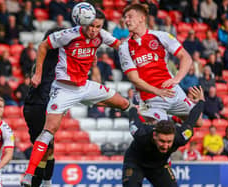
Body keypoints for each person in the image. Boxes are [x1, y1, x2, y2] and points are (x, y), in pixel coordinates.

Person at [21, 8, 173, 186]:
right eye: (91, 26)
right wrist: (38, 74)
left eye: (98, 26)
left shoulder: (101, 35)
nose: (94, 30)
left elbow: (120, 46)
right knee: (48, 132)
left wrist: (138, 53)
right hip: (64, 89)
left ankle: (150, 133)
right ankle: (28, 175)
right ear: (84, 22)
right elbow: (43, 45)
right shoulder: (68, 35)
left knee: (124, 103)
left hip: (85, 86)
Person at [119, 3, 194, 124]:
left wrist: (177, 79)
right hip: (149, 98)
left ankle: (174, 117)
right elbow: (134, 79)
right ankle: (167, 119)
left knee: (198, 121)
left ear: (142, 18)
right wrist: (157, 91)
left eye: (130, 17)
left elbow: (186, 57)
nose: (126, 20)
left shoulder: (161, 36)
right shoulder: (124, 47)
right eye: (125, 17)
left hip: (171, 91)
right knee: (159, 132)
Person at [122, 86, 205, 187]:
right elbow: (133, 117)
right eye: (162, 141)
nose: (165, 146)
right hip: (135, 163)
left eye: (169, 142)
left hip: (159, 166)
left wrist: (201, 101)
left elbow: (192, 118)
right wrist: (133, 109)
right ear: (154, 135)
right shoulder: (142, 135)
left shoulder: (181, 137)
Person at [22, 28, 63, 187]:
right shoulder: (50, 54)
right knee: (45, 148)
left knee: (49, 147)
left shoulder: (44, 57)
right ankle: (34, 181)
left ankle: (47, 182)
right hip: (40, 105)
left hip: (35, 105)